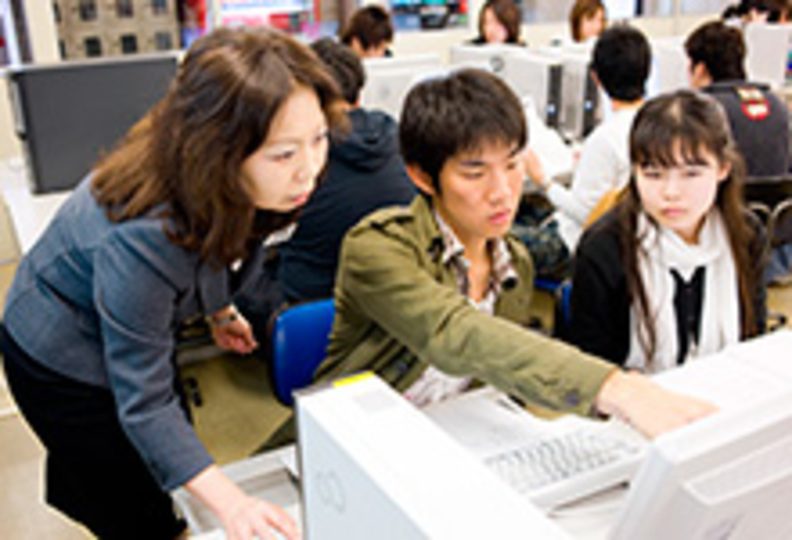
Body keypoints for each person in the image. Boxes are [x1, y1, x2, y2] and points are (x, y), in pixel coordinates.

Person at [1, 27, 346, 540]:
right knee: (120, 479)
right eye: (283, 154)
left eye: (318, 139)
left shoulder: (232, 178)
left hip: (120, 313)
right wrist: (233, 505)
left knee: (155, 449)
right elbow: (144, 400)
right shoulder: (143, 238)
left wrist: (219, 311)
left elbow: (226, 244)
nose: (310, 170)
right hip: (57, 347)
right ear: (220, 152)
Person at [299, 69, 716, 446]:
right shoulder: (377, 247)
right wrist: (616, 388)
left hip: (458, 439)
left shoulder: (515, 262)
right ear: (422, 176)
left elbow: (495, 381)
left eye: (513, 164)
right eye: (475, 173)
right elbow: (455, 334)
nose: (502, 191)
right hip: (357, 440)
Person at [567, 90, 767, 372]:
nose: (671, 193)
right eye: (653, 174)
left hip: (727, 394)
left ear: (723, 168)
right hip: (632, 405)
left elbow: (753, 338)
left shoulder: (745, 234)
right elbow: (590, 367)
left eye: (691, 173)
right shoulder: (605, 248)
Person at [237, 38, 415, 336]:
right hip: (390, 301)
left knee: (237, 280)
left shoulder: (296, 160)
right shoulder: (397, 137)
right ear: (359, 92)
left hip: (310, 304)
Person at [520, 25, 651, 274]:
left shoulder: (605, 139)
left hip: (576, 246)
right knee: (525, 212)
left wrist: (543, 180)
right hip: (625, 245)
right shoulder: (656, 125)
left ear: (595, 77)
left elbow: (584, 214)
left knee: (494, 235)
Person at [685, 20, 789, 178]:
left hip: (728, 201)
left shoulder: (702, 110)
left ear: (700, 70)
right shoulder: (776, 104)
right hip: (777, 201)